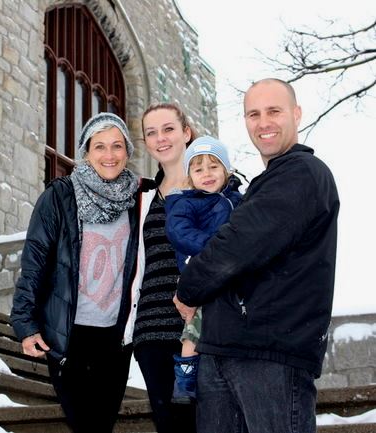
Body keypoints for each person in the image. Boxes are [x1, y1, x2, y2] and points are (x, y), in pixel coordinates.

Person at [174, 78, 340, 433]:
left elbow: (239, 244)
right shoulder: (263, 184)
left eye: (274, 111)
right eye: (253, 114)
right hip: (222, 349)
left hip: (271, 355)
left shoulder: (303, 172)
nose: (263, 122)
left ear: (296, 114)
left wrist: (188, 287)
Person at [10, 112, 141, 433]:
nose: (109, 155)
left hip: (116, 337)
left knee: (103, 424)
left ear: (128, 152)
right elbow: (35, 260)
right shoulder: (59, 196)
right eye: (99, 147)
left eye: (117, 146)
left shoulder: (139, 199)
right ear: (86, 152)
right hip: (70, 333)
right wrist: (25, 324)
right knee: (84, 424)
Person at [121, 103, 197, 433]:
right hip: (151, 329)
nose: (160, 138)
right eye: (151, 132)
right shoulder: (143, 196)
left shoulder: (211, 183)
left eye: (168, 129)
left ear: (186, 133)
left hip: (198, 328)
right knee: (171, 427)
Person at [163, 135, 243, 404]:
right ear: (189, 176)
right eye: (198, 169)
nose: (206, 174)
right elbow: (179, 232)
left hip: (230, 275)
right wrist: (213, 248)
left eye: (213, 166)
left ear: (226, 169)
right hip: (197, 269)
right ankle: (185, 379)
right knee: (194, 326)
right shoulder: (185, 202)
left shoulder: (237, 199)